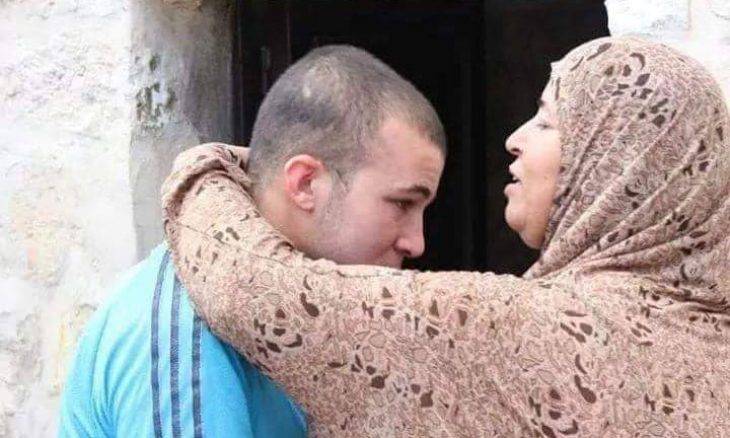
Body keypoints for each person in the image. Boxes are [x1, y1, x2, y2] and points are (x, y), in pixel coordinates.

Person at [163, 36, 730, 437]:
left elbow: (256, 292)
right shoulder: (709, 344)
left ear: (620, 163)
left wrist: (209, 169)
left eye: (546, 120)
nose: (515, 138)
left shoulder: (530, 333)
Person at [58, 45, 446, 437]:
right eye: (402, 203)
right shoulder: (190, 336)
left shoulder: (292, 308)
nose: (417, 243)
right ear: (306, 183)